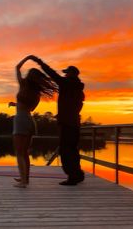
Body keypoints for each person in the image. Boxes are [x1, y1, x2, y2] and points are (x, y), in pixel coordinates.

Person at [29, 55, 85, 185]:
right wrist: (69, 113)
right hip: (75, 123)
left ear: (70, 74)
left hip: (67, 123)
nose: (64, 76)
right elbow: (79, 105)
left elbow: (51, 73)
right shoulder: (79, 88)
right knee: (73, 149)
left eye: (66, 73)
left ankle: (72, 177)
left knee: (65, 151)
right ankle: (78, 174)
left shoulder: (66, 84)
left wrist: (38, 61)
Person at [9, 56, 56, 188]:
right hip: (30, 121)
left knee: (19, 153)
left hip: (21, 120)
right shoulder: (36, 93)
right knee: (24, 152)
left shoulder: (23, 85)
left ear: (29, 77)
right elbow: (29, 107)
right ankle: (25, 178)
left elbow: (17, 67)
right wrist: (15, 104)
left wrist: (27, 58)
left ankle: (23, 181)